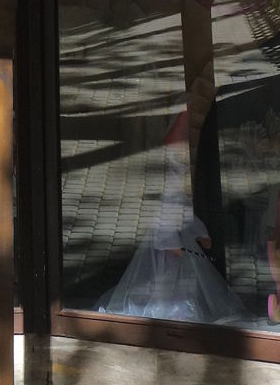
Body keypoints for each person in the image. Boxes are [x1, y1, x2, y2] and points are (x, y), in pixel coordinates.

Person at [97, 110, 243, 322]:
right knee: (164, 282)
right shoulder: (168, 188)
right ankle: (167, 308)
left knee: (180, 281)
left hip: (177, 241)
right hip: (167, 248)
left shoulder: (178, 187)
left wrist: (199, 232)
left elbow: (184, 214)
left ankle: (177, 304)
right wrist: (177, 245)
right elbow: (164, 219)